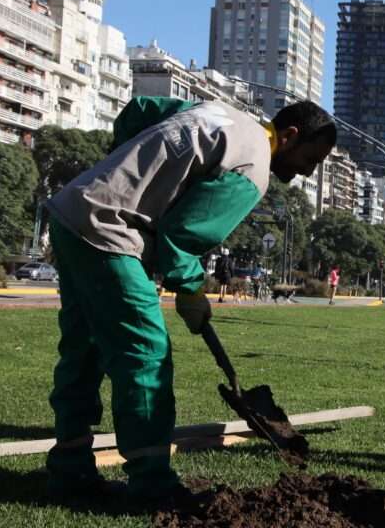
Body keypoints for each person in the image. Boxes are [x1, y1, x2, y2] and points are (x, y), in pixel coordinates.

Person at [43, 97, 335, 507]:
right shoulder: (253, 167)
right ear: (289, 137)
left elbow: (138, 111)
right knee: (146, 353)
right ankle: (152, 483)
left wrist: (133, 173)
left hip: (73, 211)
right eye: (311, 158)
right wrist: (192, 290)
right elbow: (182, 237)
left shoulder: (220, 113)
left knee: (84, 350)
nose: (308, 171)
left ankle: (69, 468)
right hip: (109, 232)